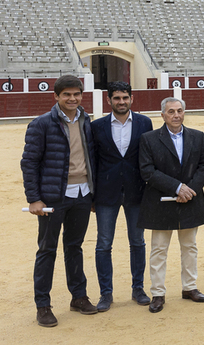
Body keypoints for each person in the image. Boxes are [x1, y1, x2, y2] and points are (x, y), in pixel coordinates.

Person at [22, 75, 98, 327]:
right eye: (66, 94)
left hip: (82, 194)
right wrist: (34, 198)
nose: (72, 98)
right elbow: (29, 163)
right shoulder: (41, 123)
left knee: (75, 247)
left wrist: (94, 194)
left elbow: (92, 159)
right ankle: (43, 305)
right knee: (47, 250)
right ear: (56, 96)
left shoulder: (87, 121)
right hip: (54, 196)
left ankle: (78, 297)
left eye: (76, 94)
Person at [138, 97, 204, 313]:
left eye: (179, 111)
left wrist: (190, 190)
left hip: (190, 199)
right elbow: (147, 171)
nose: (176, 115)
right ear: (163, 115)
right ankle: (158, 293)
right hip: (161, 200)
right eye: (171, 111)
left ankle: (189, 288)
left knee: (190, 246)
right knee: (159, 249)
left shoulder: (197, 137)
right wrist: (178, 188)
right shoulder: (149, 139)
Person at [91, 81, 154, 311]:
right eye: (116, 98)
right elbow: (92, 161)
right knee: (103, 244)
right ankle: (105, 293)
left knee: (137, 242)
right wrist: (91, 196)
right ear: (109, 100)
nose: (121, 102)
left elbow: (149, 157)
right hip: (106, 193)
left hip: (136, 191)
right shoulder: (96, 126)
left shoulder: (144, 122)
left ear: (131, 99)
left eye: (125, 98)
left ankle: (138, 288)